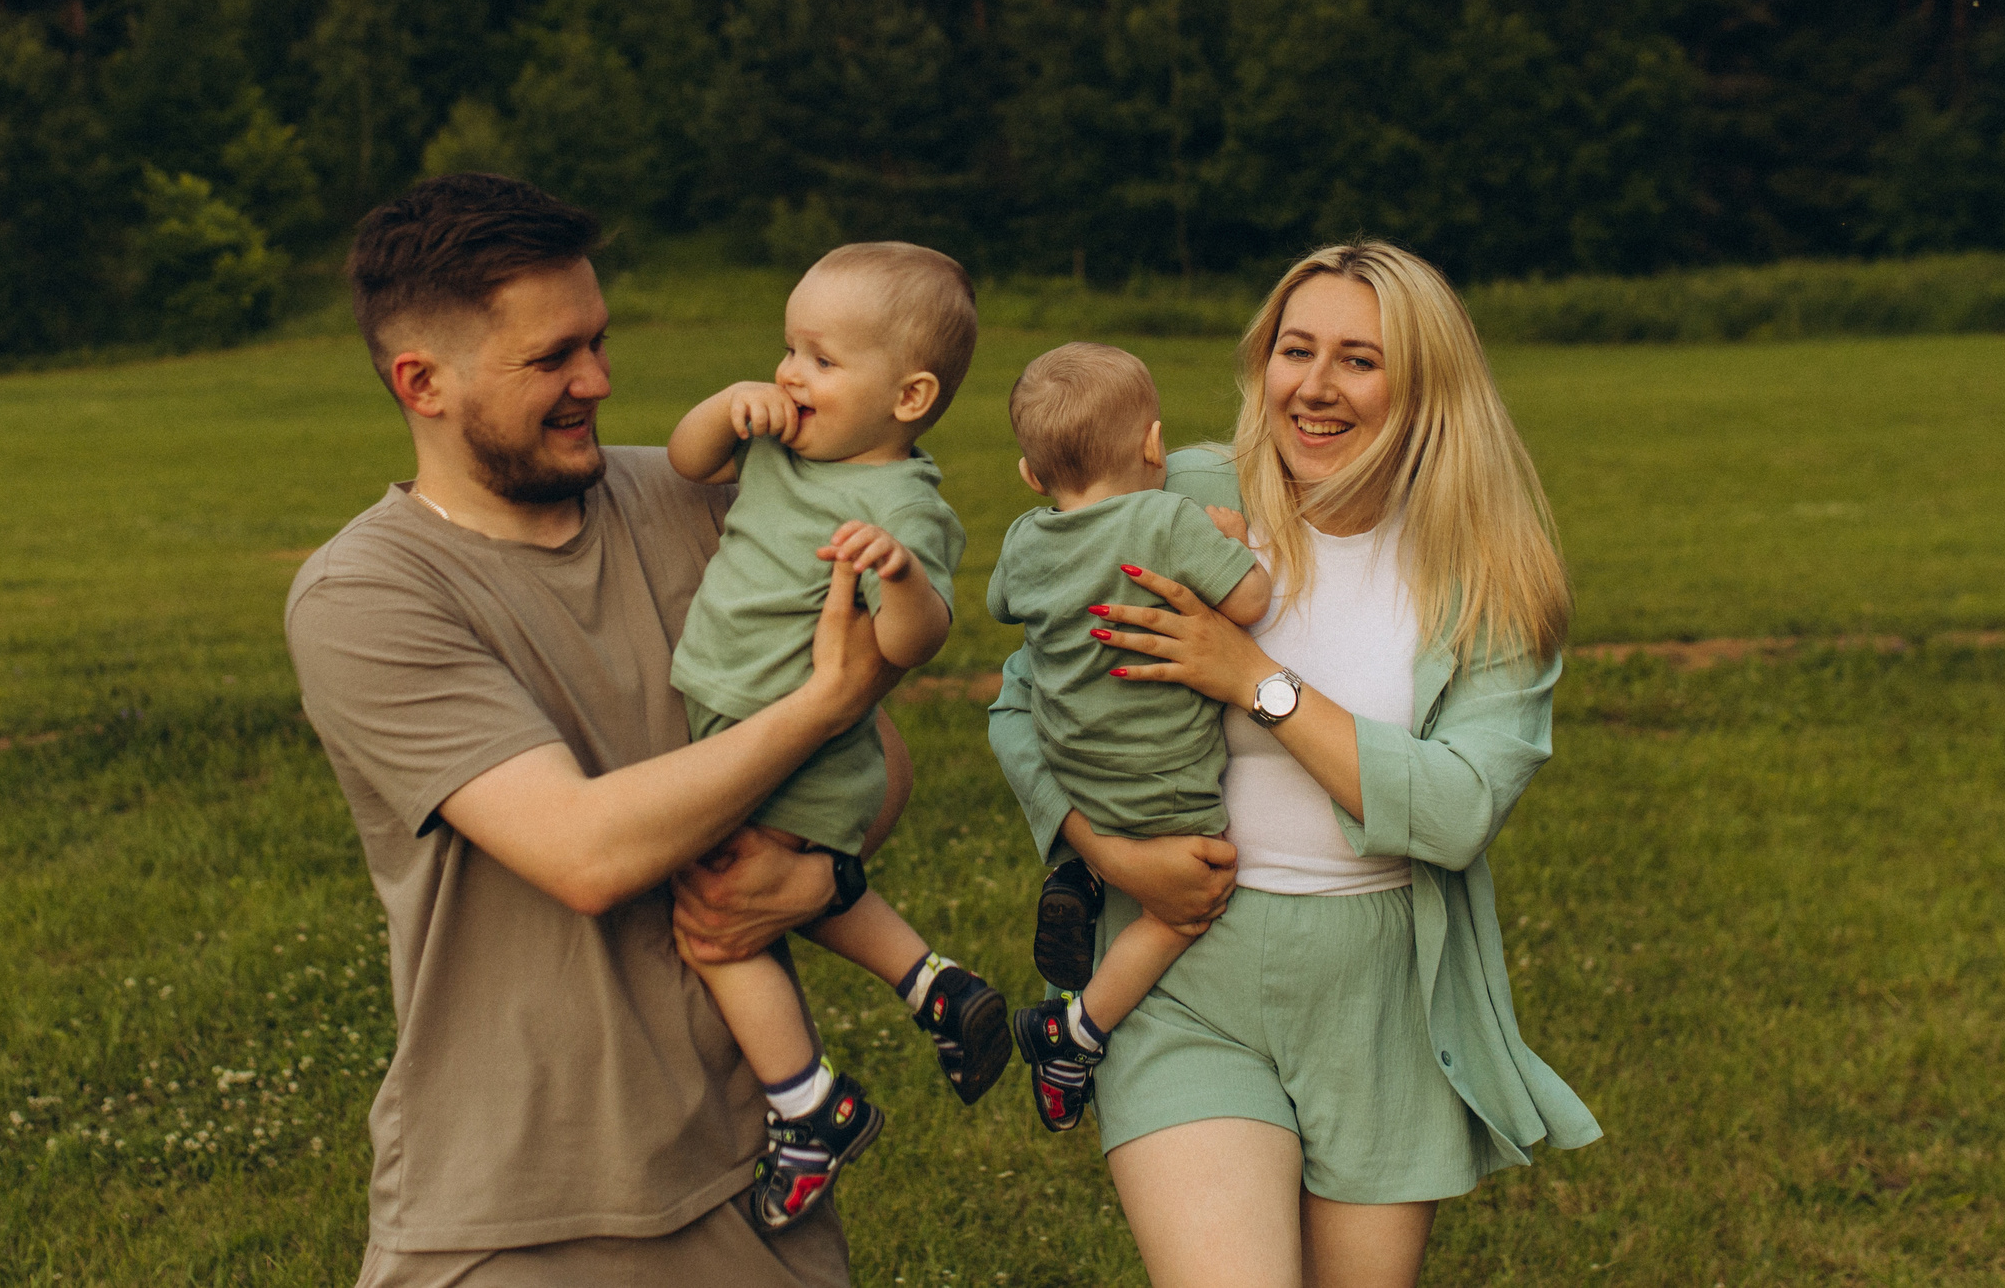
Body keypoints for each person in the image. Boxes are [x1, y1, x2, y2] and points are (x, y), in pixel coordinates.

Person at [285, 173, 902, 1288]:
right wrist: (817, 706)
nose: (599, 381)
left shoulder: (699, 504)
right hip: (508, 1212)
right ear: (422, 382)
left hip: (751, 1185)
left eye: (599, 341)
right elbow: (584, 852)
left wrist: (817, 877)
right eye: (552, 358)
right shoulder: (366, 595)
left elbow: (879, 764)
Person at [987, 241, 1602, 1288]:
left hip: (1382, 999)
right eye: (1294, 350)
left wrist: (1255, 680)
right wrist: (1103, 851)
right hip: (1186, 972)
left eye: (1359, 361)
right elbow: (1020, 702)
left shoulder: (1487, 572)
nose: (1314, 387)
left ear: (1427, 387)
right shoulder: (1177, 496)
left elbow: (1457, 810)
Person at [664, 241, 1010, 1231]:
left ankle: (811, 1106)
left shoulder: (905, 508)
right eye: (787, 350)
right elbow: (688, 458)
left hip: (797, 747)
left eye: (820, 358)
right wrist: (723, 406)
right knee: (782, 893)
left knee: (719, 923)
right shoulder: (778, 447)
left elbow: (915, 641)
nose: (789, 374)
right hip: (741, 725)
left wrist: (898, 573)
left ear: (908, 396)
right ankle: (932, 984)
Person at [982, 342, 1271, 1131]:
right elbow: (1248, 601)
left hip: (1071, 761)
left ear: (1030, 474)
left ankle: (1082, 874)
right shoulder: (1167, 519)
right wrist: (1235, 543)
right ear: (1154, 445)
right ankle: (1073, 1032)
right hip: (1164, 780)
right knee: (1184, 909)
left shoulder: (1025, 538)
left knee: (1113, 829)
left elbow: (1002, 601)